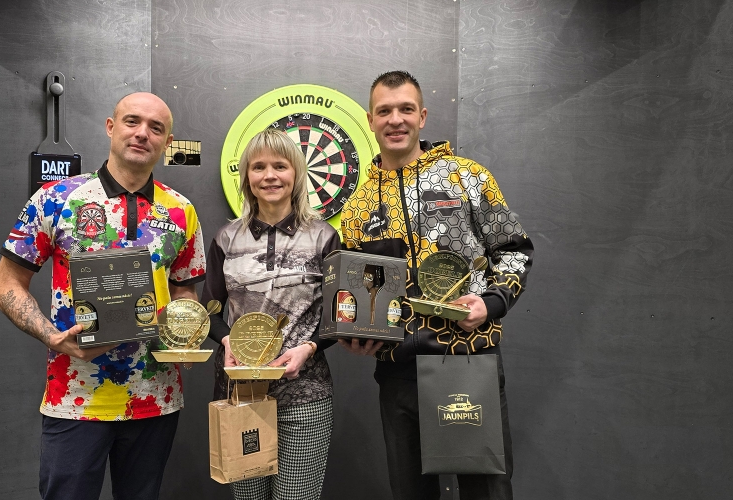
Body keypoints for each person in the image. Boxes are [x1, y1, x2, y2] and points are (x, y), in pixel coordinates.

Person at [0, 92, 206, 500]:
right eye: (132, 121)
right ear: (111, 127)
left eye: (156, 128)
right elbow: (6, 284)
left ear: (167, 142)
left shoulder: (182, 211)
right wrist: (52, 337)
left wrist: (186, 332)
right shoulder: (56, 198)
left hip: (155, 396)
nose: (142, 133)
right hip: (75, 396)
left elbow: (184, 289)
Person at [338, 71, 534, 499]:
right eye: (384, 111)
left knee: (486, 493)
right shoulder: (357, 207)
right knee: (410, 493)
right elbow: (355, 292)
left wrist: (491, 302)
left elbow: (514, 250)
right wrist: (354, 333)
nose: (395, 119)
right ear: (370, 120)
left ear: (422, 116)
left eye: (406, 109)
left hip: (467, 360)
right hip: (398, 371)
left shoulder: (468, 178)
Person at [202, 128, 341, 500]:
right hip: (240, 394)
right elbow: (210, 312)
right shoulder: (226, 238)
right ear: (247, 176)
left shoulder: (324, 237)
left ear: (296, 173)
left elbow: (339, 315)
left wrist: (308, 348)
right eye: (258, 167)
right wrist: (227, 340)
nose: (269, 176)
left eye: (280, 166)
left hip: (305, 395)